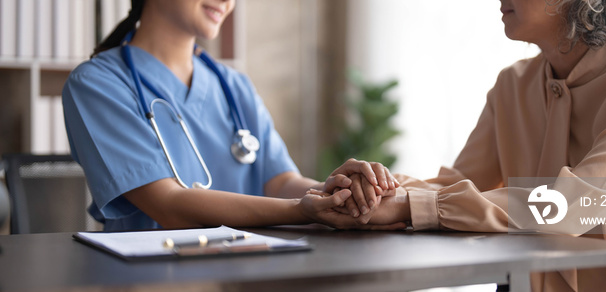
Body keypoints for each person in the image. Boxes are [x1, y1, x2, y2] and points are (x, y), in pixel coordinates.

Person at [320, 0, 606, 291]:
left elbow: (575, 204)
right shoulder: (512, 85)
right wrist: (374, 188)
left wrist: (417, 205)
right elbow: (458, 182)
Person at [62, 0, 403, 232]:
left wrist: (337, 193)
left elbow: (281, 182)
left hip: (247, 273)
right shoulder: (97, 84)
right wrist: (300, 210)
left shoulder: (232, 84)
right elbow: (169, 204)